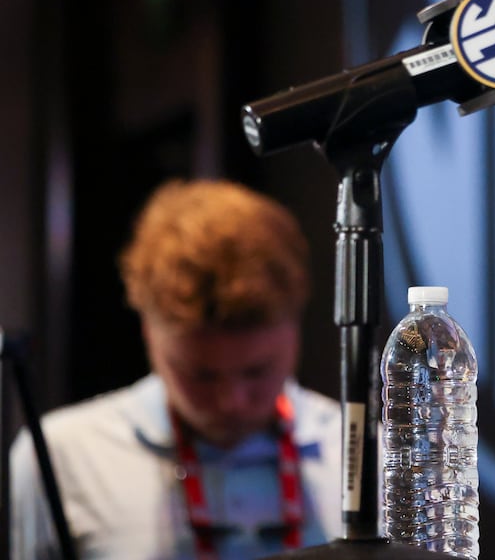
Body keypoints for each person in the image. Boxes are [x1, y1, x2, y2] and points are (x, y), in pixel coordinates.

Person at [9, 179, 344, 559]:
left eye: (257, 371)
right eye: (200, 374)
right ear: (148, 333)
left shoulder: (370, 458)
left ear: (297, 326)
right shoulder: (59, 457)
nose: (231, 401)